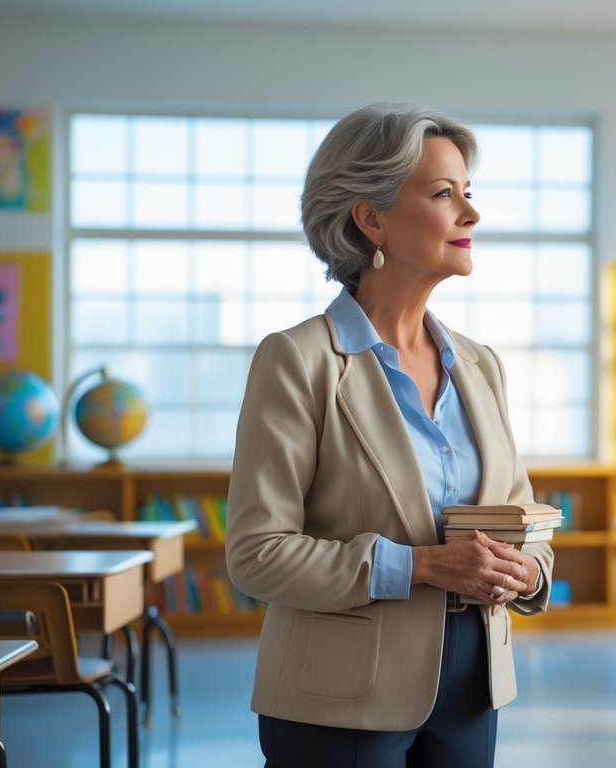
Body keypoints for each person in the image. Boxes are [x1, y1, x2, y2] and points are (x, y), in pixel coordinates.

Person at [225, 102, 554, 768]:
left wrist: (529, 572)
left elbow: (524, 523)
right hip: (339, 699)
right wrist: (424, 565)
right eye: (442, 193)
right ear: (369, 217)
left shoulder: (480, 364)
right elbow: (257, 554)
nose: (471, 213)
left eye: (469, 193)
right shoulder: (297, 360)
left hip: (473, 692)